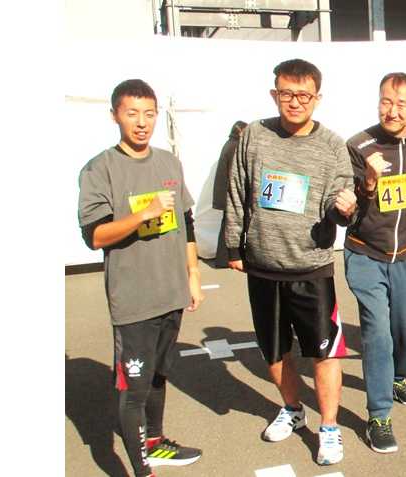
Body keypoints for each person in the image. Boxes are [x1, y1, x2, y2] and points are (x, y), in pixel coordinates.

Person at [223, 59, 355, 466]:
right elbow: (237, 190)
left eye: (303, 95)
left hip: (311, 266)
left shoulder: (332, 144)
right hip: (263, 265)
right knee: (275, 352)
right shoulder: (254, 135)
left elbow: (341, 198)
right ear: (274, 94)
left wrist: (345, 209)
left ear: (317, 98)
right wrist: (233, 247)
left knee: (325, 353)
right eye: (286, 94)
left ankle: (329, 428)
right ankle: (293, 409)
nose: (295, 102)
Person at [77, 78, 204, 477]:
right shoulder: (100, 169)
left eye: (149, 114)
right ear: (114, 115)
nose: (142, 122)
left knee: (158, 376)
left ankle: (155, 443)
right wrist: (141, 215)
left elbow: (186, 222)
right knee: (133, 390)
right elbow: (95, 236)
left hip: (172, 293)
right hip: (133, 301)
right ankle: (141, 471)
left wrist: (193, 275)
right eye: (132, 113)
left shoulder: (168, 163)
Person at [344, 72, 406, 453]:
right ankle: (379, 415)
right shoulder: (358, 145)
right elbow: (347, 204)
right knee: (377, 333)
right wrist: (369, 182)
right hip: (365, 253)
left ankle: (398, 378)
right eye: (386, 101)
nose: (392, 110)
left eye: (402, 104)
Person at [212, 120, 247, 268]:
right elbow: (234, 173)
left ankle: (224, 258)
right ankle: (225, 259)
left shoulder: (229, 144)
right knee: (230, 225)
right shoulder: (234, 146)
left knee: (227, 224)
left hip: (225, 192)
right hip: (229, 193)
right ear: (240, 131)